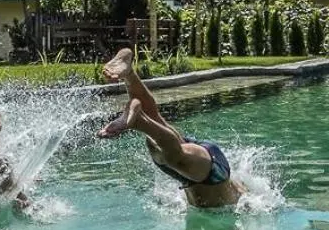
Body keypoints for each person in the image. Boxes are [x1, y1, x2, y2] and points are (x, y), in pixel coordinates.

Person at [97, 48, 244, 208]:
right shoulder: (241, 197)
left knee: (157, 136)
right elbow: (251, 202)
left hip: (198, 172)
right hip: (212, 175)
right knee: (175, 157)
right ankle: (139, 122)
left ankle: (129, 74)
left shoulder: (239, 188)